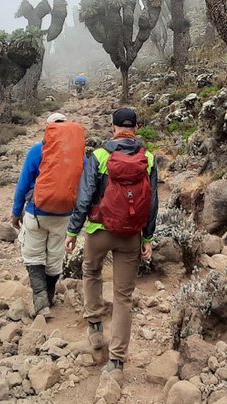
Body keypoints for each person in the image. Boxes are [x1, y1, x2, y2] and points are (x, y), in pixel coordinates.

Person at [65, 106, 158, 379]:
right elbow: (152, 203)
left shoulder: (99, 155)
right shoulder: (149, 158)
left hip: (98, 230)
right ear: (136, 128)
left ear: (113, 127)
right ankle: (117, 360)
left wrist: (72, 232)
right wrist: (149, 237)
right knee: (123, 297)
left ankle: (94, 324)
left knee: (91, 271)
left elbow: (84, 197)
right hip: (131, 235)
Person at [11, 113, 86, 314]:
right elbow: (85, 186)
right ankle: (50, 295)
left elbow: (23, 183)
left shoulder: (38, 150)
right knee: (55, 256)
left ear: (48, 129)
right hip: (65, 215)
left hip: (37, 212)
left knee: (33, 254)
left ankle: (40, 300)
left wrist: (16, 212)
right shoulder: (80, 154)